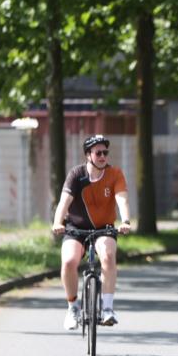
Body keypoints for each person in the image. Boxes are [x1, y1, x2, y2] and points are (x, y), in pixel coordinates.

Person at [51, 134, 132, 330]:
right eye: (98, 153)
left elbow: (122, 200)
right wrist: (57, 222)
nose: (103, 156)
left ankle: (107, 308)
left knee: (109, 255)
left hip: (104, 228)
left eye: (105, 152)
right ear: (88, 155)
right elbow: (64, 202)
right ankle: (73, 307)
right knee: (69, 261)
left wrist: (126, 221)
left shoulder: (115, 174)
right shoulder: (76, 175)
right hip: (76, 228)